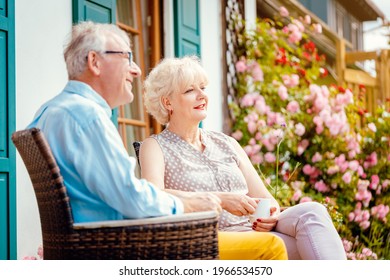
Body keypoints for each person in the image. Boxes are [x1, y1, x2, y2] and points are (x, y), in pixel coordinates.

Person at [27, 22, 287, 260]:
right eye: (126, 57)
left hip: (93, 240)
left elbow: (121, 192)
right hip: (120, 243)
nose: (137, 70)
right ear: (94, 62)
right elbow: (132, 198)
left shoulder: (50, 112)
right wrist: (194, 202)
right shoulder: (87, 116)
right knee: (271, 247)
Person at [140, 55, 347, 260]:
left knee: (313, 212)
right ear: (168, 102)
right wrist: (220, 199)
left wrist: (271, 213)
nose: (201, 95)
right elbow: (153, 195)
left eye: (202, 88)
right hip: (214, 242)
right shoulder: (155, 146)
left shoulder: (226, 143)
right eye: (190, 90)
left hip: (257, 233)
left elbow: (266, 199)